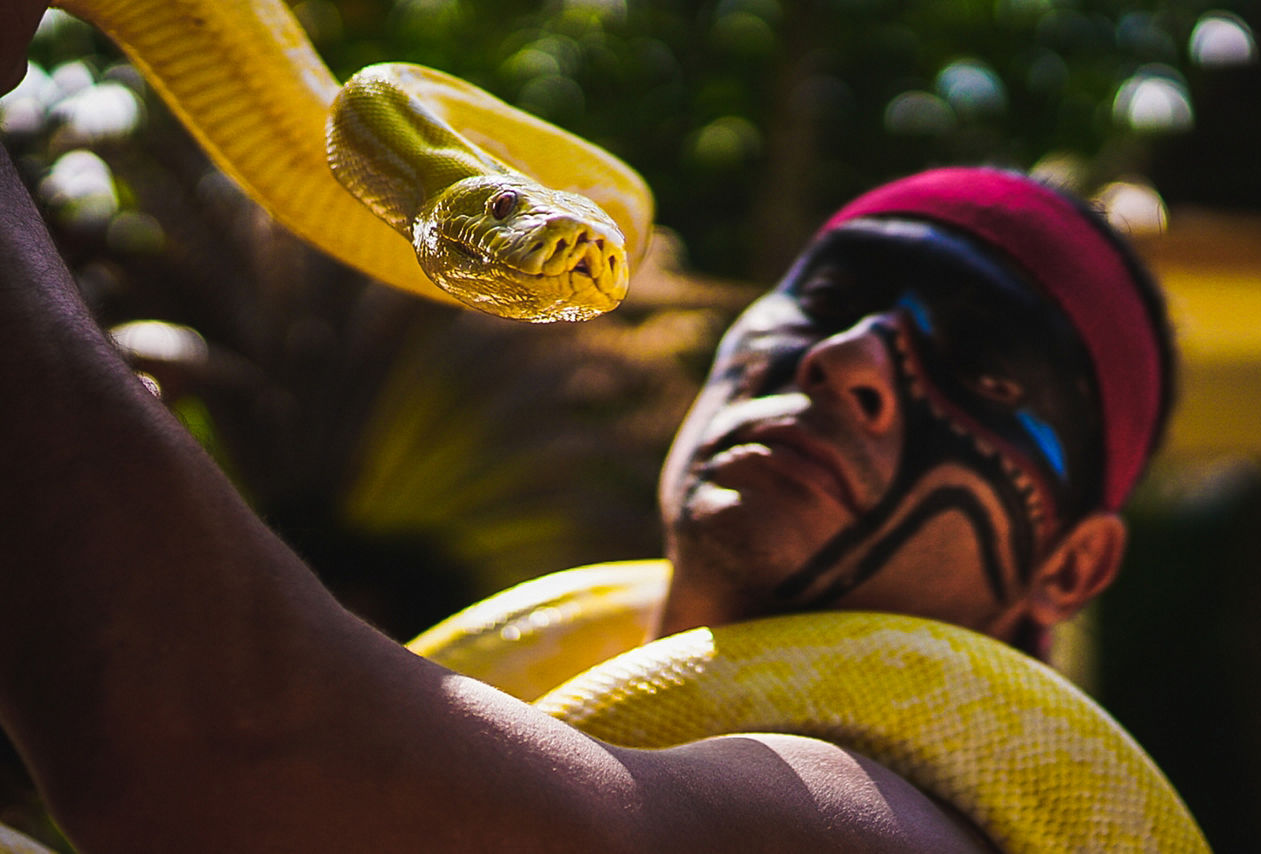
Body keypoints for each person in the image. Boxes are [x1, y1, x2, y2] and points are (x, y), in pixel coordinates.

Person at [1, 6, 1172, 852]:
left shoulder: (890, 827)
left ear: (1070, 566)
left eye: (980, 374)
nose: (848, 357)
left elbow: (222, 748)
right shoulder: (534, 701)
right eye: (821, 302)